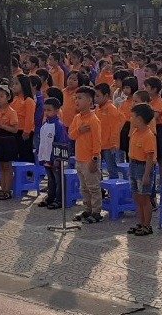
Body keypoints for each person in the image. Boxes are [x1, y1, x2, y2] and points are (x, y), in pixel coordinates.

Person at [69, 86, 103, 222]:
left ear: (89, 101)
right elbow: (71, 135)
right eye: (76, 98)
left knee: (93, 187)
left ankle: (96, 212)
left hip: (90, 159)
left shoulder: (94, 120)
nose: (77, 101)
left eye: (80, 98)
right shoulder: (77, 118)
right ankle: (87, 209)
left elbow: (97, 141)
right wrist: (80, 130)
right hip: (79, 158)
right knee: (84, 187)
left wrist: (94, 159)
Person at [127, 103, 157, 236]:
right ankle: (140, 222)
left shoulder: (148, 135)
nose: (130, 119)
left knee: (144, 198)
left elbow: (150, 157)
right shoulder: (135, 132)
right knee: (137, 196)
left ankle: (147, 225)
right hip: (133, 165)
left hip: (143, 167)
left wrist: (146, 175)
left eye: (132, 117)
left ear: (139, 119)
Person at [0, 84, 20, 200]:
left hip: (7, 140)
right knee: (0, 166)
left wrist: (3, 126)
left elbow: (15, 129)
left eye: (2, 96)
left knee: (7, 166)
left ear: (8, 97)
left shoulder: (12, 112)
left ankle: (8, 190)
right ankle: (2, 189)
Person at [35, 97, 67, 209]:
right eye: (45, 110)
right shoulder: (44, 125)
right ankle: (50, 198)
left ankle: (59, 200)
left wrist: (58, 159)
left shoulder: (58, 125)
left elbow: (61, 142)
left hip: (55, 158)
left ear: (57, 111)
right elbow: (42, 142)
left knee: (58, 180)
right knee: (50, 179)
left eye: (49, 110)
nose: (46, 112)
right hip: (46, 157)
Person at [95, 83, 124, 180]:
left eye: (98, 96)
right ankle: (100, 187)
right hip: (99, 144)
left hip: (109, 146)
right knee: (97, 169)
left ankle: (114, 187)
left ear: (106, 96)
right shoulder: (98, 109)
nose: (95, 98)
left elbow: (115, 129)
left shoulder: (111, 109)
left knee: (111, 169)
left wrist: (114, 144)